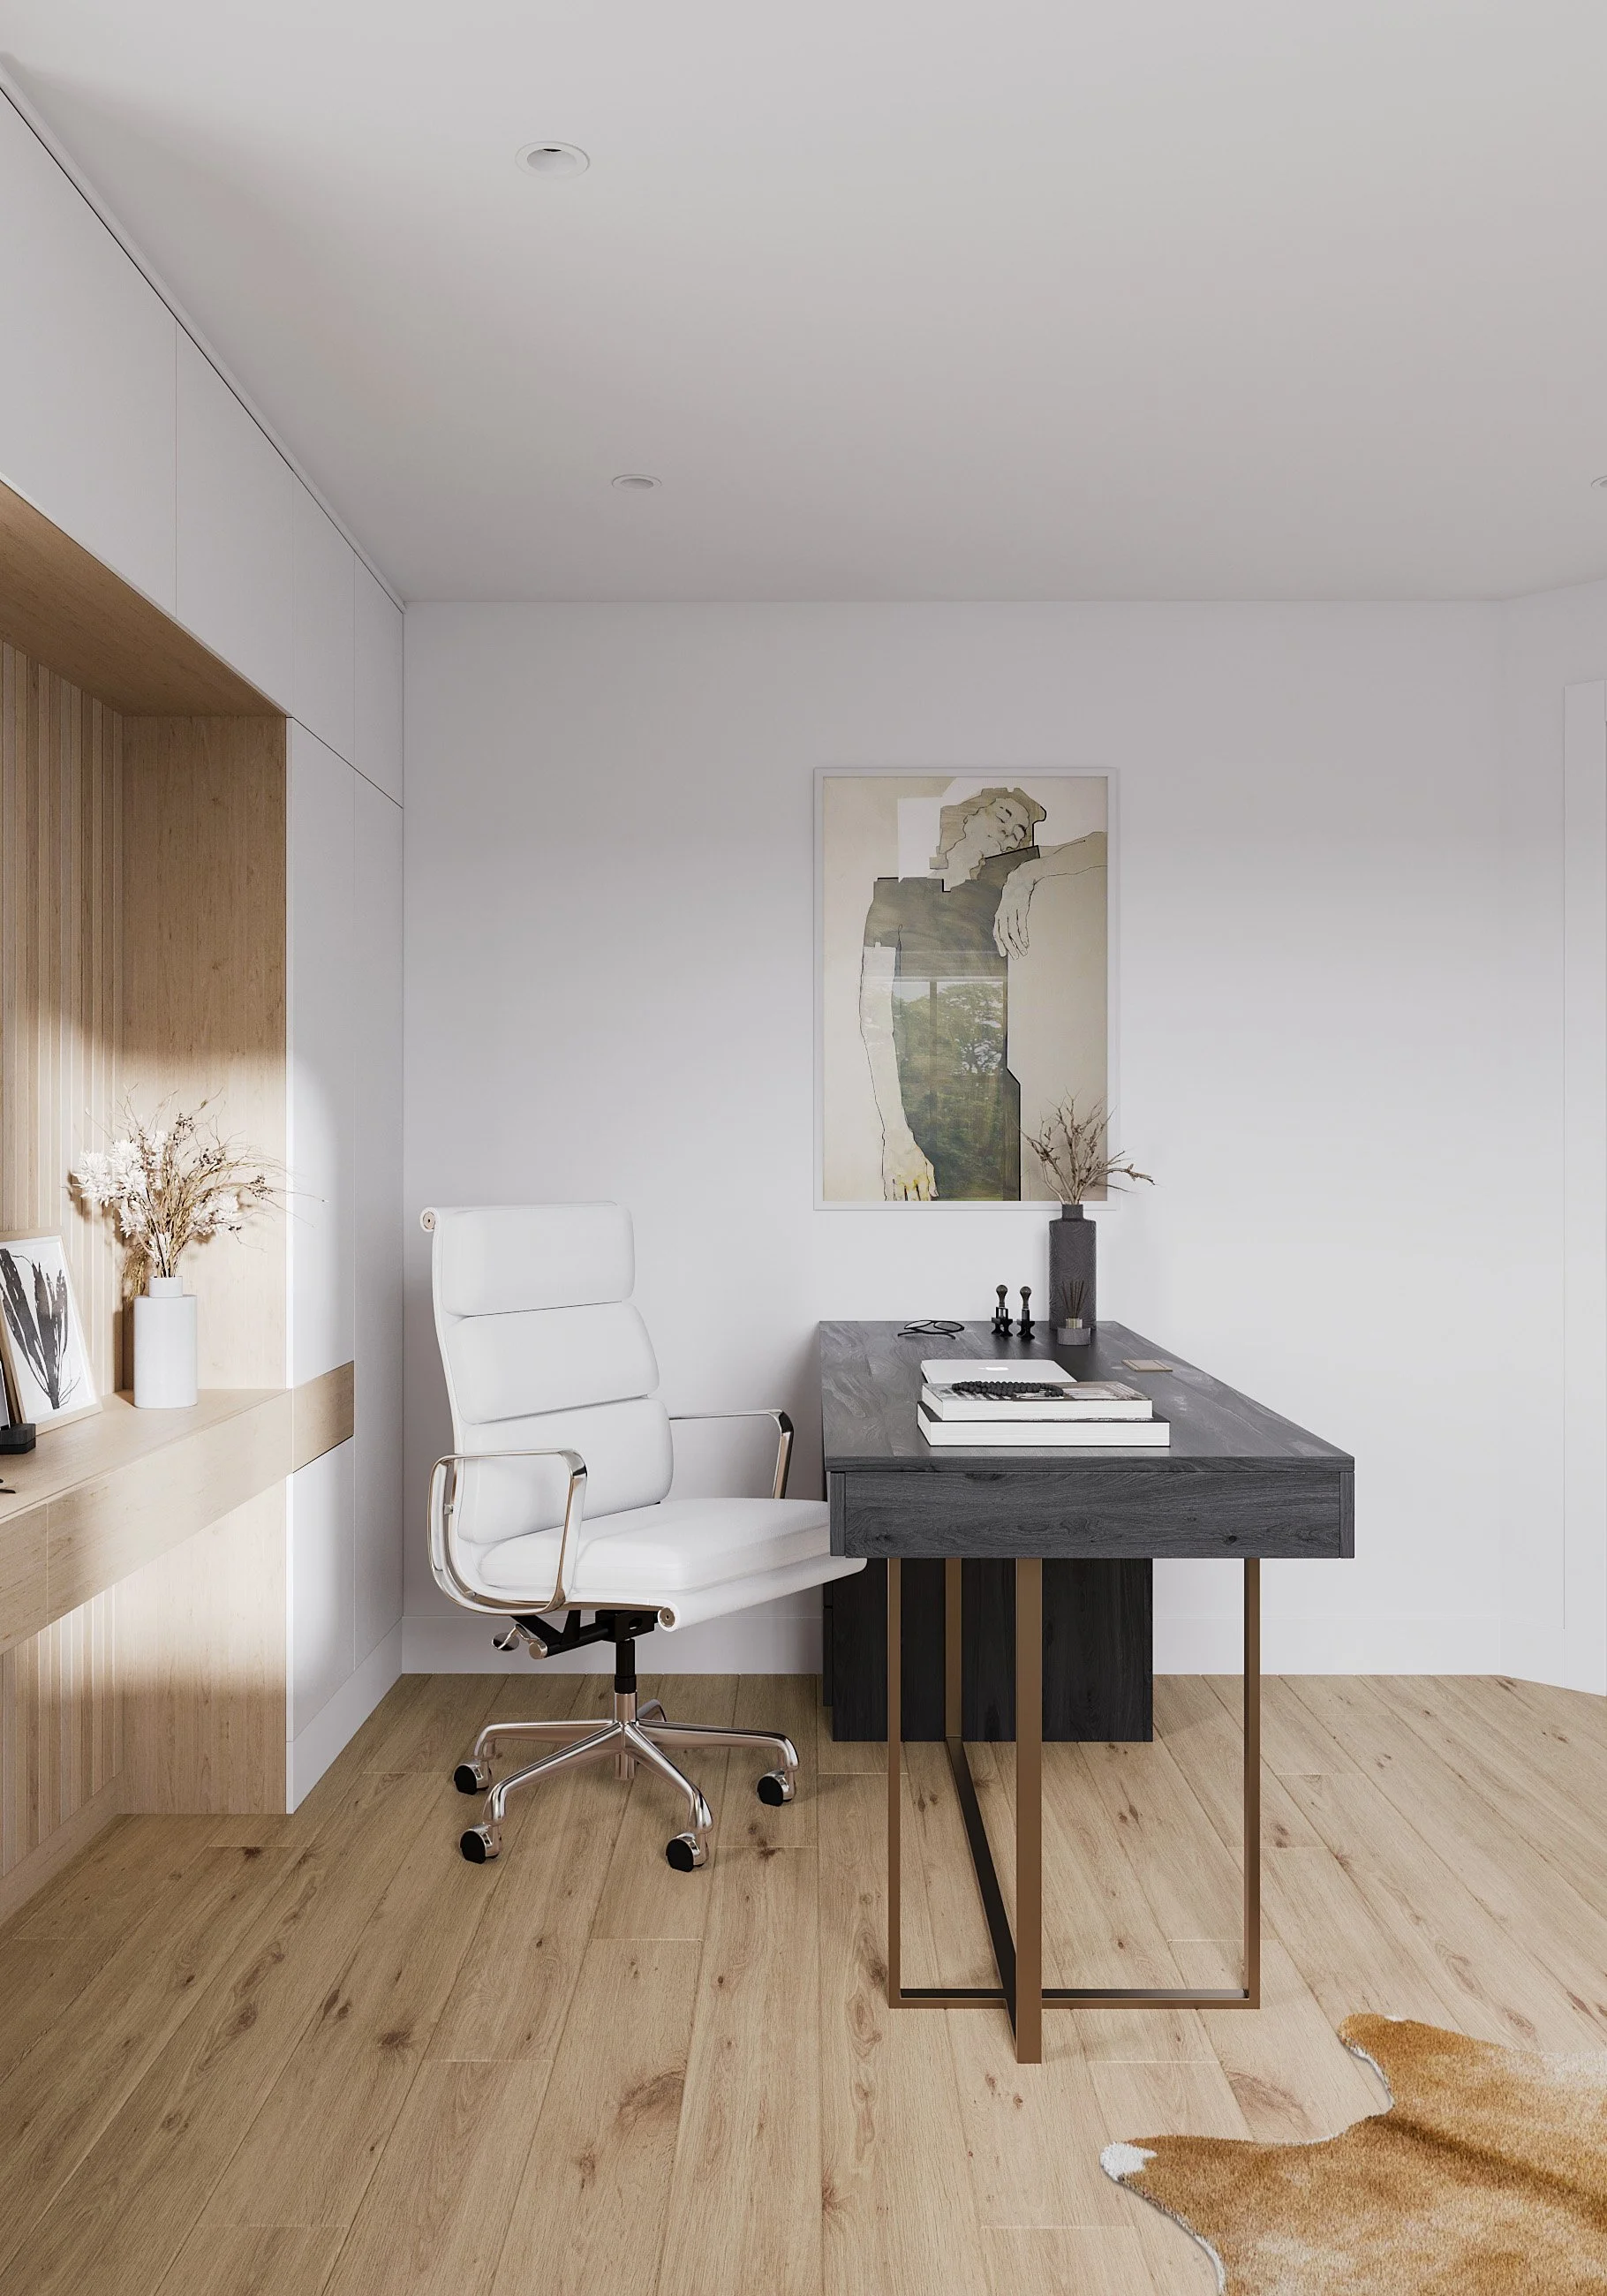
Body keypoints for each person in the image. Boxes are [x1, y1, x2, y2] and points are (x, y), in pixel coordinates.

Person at [857, 788, 1094, 1200]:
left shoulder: (1003, 879)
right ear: (969, 816)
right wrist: (897, 1135)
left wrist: (1025, 878)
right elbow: (874, 1019)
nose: (1011, 832)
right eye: (1003, 815)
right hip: (917, 1105)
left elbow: (1105, 844)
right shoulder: (894, 897)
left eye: (1020, 829)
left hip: (991, 1109)